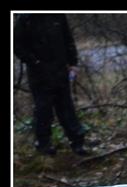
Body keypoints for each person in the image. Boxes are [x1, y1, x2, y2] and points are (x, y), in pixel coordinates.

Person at [14, 14, 88, 156]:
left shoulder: (58, 16)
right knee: (43, 109)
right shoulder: (26, 18)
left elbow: (68, 39)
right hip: (39, 74)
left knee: (66, 107)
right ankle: (43, 145)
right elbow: (17, 45)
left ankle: (77, 142)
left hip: (60, 69)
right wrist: (33, 62)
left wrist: (73, 63)